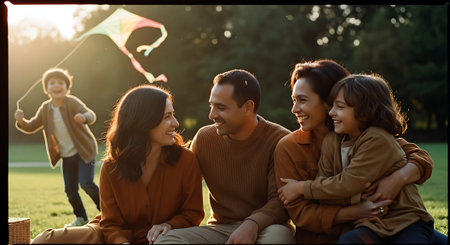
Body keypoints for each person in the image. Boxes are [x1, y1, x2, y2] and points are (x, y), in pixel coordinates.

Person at [274, 59, 446, 244]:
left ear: (328, 101)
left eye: (302, 100)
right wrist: (352, 211)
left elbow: (419, 157)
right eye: (293, 100)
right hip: (344, 233)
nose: (294, 109)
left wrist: (397, 179)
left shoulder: (365, 132)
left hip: (397, 223)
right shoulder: (291, 147)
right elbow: (301, 213)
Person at [31, 84, 204, 244]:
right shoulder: (111, 167)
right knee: (44, 241)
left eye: (173, 115)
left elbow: (193, 213)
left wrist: (169, 225)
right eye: (167, 117)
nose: (176, 123)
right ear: (144, 121)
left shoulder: (186, 160)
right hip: (111, 236)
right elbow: (111, 223)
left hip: (166, 238)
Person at [156, 69, 295, 244]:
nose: (211, 115)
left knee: (279, 238)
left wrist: (251, 224)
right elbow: (181, 188)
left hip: (264, 228)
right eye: (211, 105)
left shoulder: (280, 140)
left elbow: (280, 201)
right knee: (166, 240)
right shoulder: (205, 138)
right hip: (219, 230)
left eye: (220, 107)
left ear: (248, 108)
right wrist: (169, 224)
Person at [14, 68, 100, 227]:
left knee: (86, 183)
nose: (56, 86)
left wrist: (84, 117)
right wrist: (21, 121)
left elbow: (91, 114)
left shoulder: (72, 102)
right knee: (70, 190)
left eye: (61, 83)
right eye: (52, 83)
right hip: (67, 156)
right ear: (46, 89)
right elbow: (32, 125)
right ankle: (81, 218)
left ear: (67, 87)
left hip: (84, 151)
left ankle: (108, 211)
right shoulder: (46, 108)